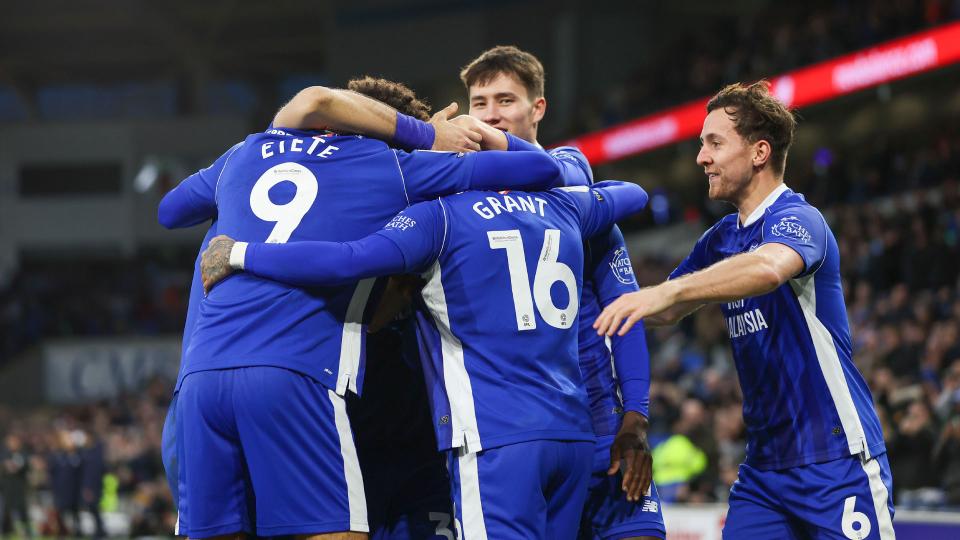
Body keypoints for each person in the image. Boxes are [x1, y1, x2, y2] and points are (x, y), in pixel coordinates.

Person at [164, 83, 569, 539]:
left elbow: (170, 210)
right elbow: (541, 167)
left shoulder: (242, 155)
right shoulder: (390, 166)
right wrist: (431, 139)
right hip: (293, 375)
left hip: (195, 388)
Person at [200, 178, 649, 540]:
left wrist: (242, 252)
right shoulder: (563, 206)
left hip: (495, 438)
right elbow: (633, 194)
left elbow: (346, 260)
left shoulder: (440, 218)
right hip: (571, 436)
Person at [594, 81, 894, 539]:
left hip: (836, 462)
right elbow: (662, 309)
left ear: (758, 152)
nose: (701, 157)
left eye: (714, 143)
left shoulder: (798, 218)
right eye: (701, 144)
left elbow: (771, 267)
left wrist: (669, 293)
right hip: (763, 474)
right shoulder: (719, 240)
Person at [460, 45, 664, 540]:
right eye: (479, 103)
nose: (491, 116)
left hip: (604, 438)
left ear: (538, 108)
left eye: (505, 101)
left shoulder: (576, 200)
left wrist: (635, 420)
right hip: (512, 442)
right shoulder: (455, 209)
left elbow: (626, 316)